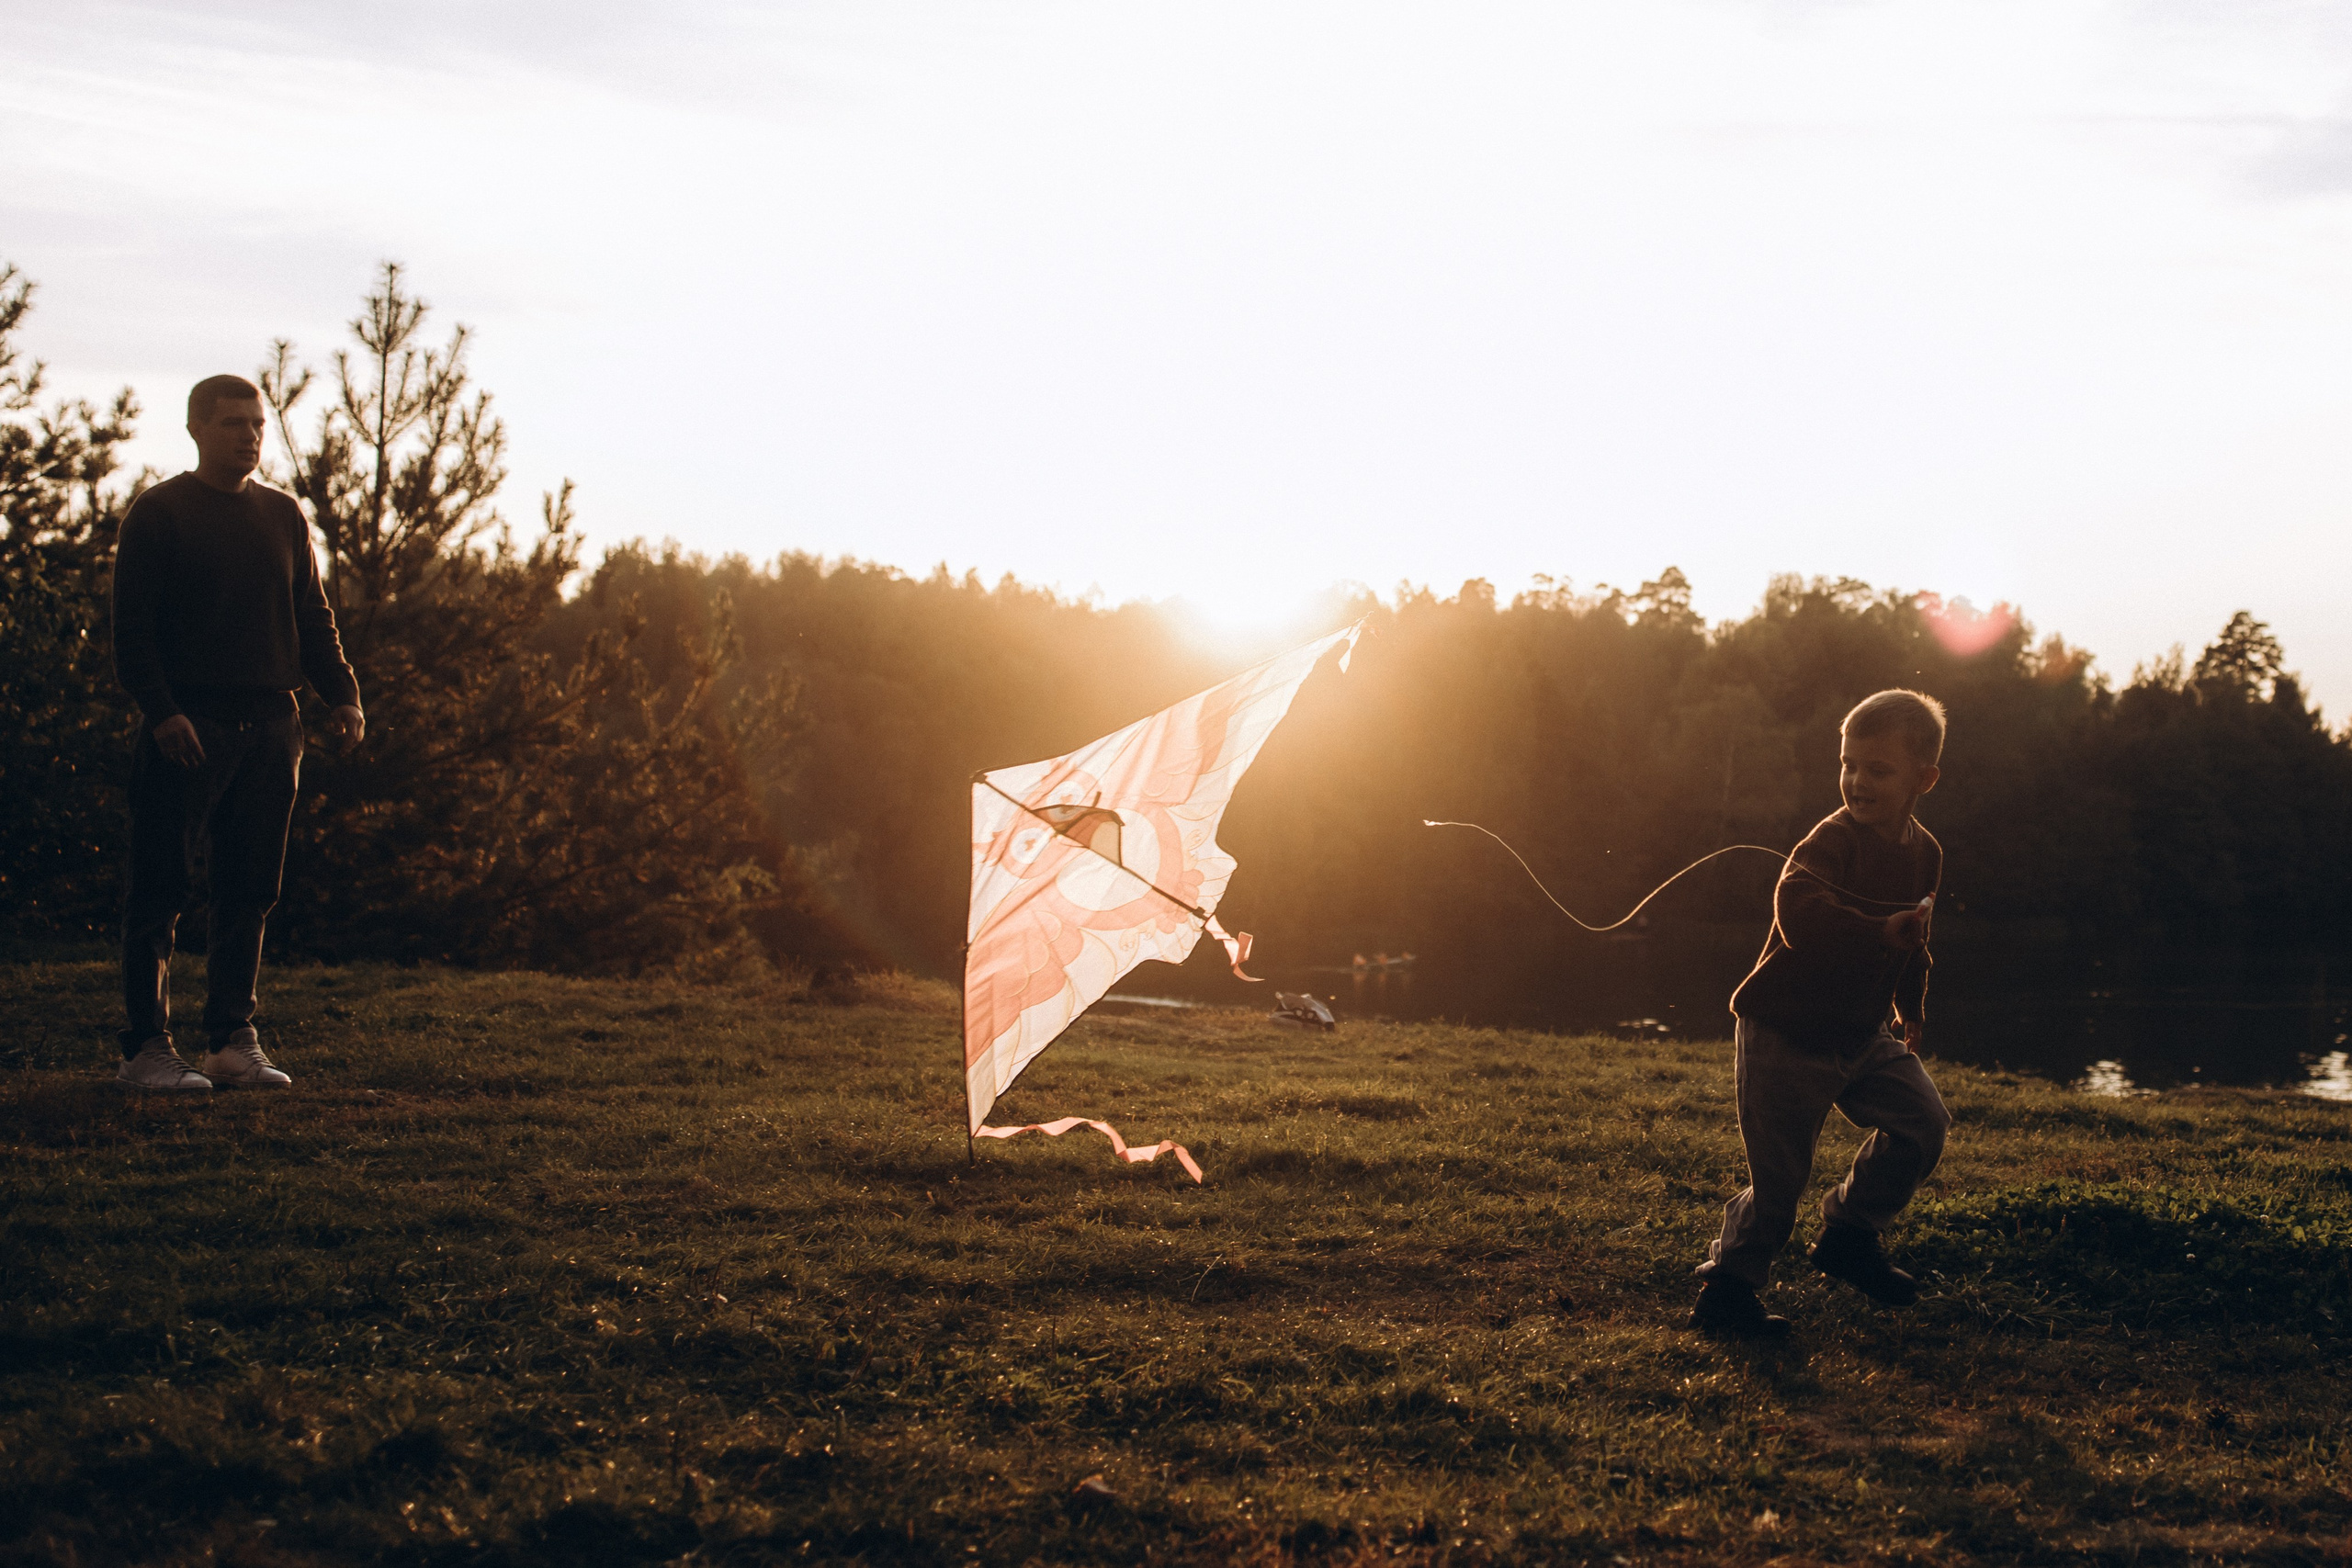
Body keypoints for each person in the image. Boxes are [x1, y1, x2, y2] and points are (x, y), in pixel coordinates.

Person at [108, 374, 364, 1091]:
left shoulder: (282, 515)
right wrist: (163, 712)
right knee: (161, 885)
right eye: (233, 423)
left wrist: (342, 694)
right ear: (197, 428)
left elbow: (312, 616)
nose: (250, 435)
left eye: (257, 423)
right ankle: (145, 1050)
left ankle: (228, 1039)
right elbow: (131, 631)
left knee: (250, 886)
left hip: (274, 725)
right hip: (190, 722)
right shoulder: (159, 513)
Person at [1690, 689, 1953, 1337]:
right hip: (1785, 1031)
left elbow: (1915, 935)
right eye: (1848, 764)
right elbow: (1797, 912)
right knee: (1779, 1181)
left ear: (1923, 779)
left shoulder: (1926, 853)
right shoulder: (1832, 839)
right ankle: (1728, 1292)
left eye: (1878, 770)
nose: (1857, 782)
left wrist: (1910, 1007)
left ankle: (1849, 1235)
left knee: (1923, 1123)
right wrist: (1876, 929)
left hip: (1863, 1033)